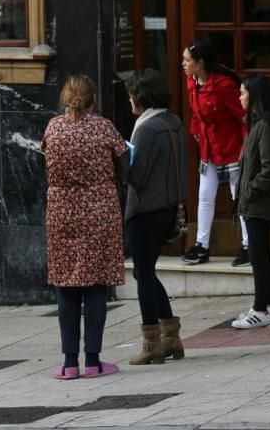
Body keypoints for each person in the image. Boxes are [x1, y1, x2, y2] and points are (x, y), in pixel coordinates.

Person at [42, 75, 127, 380]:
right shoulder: (103, 127)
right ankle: (93, 361)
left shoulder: (53, 127)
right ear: (93, 99)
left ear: (65, 98)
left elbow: (46, 160)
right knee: (95, 284)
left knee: (66, 285)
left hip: (62, 210)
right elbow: (124, 163)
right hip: (99, 209)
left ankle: (68, 363)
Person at [123, 70, 187, 365]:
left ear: (141, 96)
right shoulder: (173, 122)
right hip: (168, 207)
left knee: (143, 273)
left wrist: (119, 159)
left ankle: (152, 343)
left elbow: (137, 176)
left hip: (145, 210)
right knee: (145, 271)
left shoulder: (146, 128)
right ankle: (171, 335)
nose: (129, 98)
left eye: (132, 93)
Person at [181, 40, 249, 266]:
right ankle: (202, 245)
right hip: (208, 148)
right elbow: (196, 112)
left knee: (237, 197)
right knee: (205, 196)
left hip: (230, 147)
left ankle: (249, 246)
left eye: (187, 60)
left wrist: (246, 146)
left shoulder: (223, 85)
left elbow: (242, 116)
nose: (184, 64)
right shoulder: (192, 81)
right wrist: (194, 130)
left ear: (200, 63)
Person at [231, 75, 270, 329]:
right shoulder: (256, 124)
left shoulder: (265, 126)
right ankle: (269, 305)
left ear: (254, 96)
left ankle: (261, 308)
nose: (239, 97)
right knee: (261, 254)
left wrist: (249, 192)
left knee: (258, 256)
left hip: (259, 204)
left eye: (243, 93)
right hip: (254, 202)